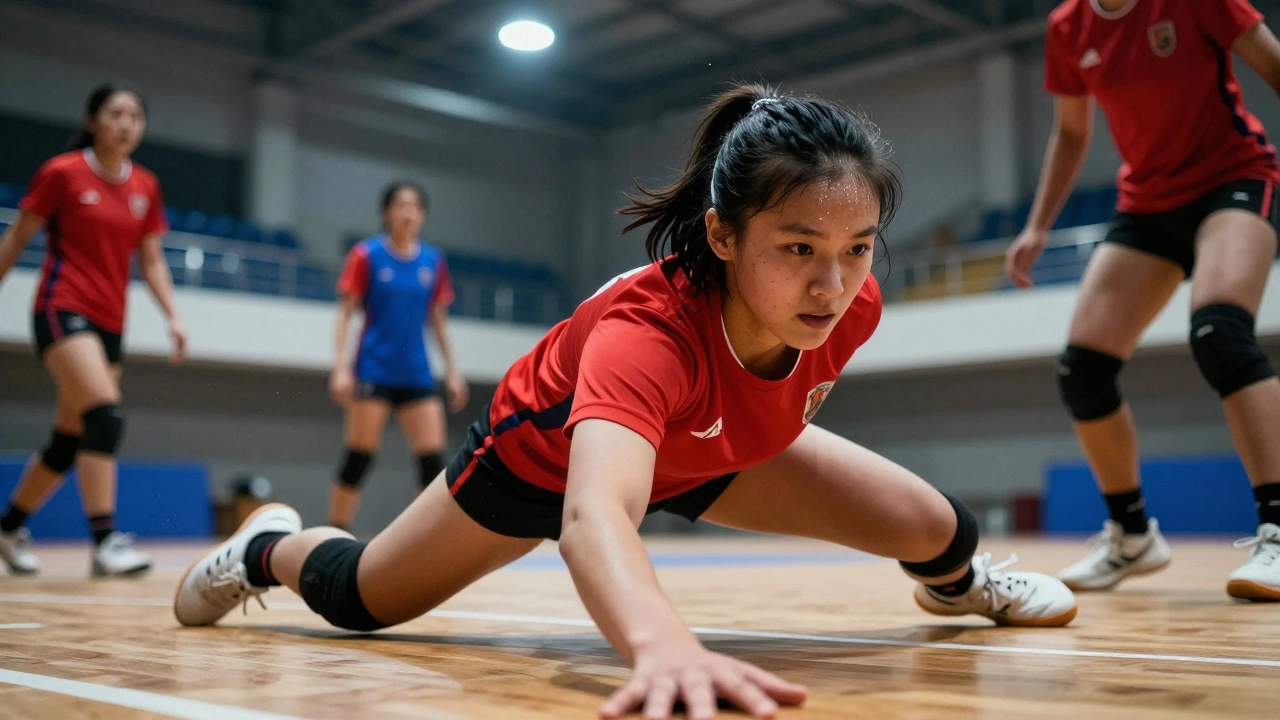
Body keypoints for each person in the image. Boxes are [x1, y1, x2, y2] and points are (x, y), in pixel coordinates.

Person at [176, 84, 1076, 720]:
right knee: (360, 600)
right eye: (799, 248)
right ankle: (264, 548)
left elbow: (771, 402)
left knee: (939, 527)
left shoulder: (855, 304)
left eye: (858, 247)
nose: (833, 283)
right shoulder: (647, 336)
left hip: (704, 453)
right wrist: (660, 645)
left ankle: (957, 591)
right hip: (546, 461)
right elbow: (595, 514)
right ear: (722, 234)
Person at [1006, 0, 1280, 599]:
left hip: (1233, 177)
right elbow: (1072, 132)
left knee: (1220, 333)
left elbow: (1274, 64)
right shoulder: (1067, 27)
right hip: (1148, 205)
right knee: (1083, 370)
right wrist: (1037, 227)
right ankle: (1132, 536)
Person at [0, 83, 186, 577]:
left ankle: (7, 527)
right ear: (92, 120)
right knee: (105, 418)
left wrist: (173, 317)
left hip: (110, 322)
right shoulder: (62, 173)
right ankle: (105, 542)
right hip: (62, 309)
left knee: (69, 440)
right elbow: (17, 238)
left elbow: (151, 260)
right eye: (115, 114)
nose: (126, 124)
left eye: (135, 116)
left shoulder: (146, 185)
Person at [326, 182, 468, 531]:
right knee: (359, 457)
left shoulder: (433, 261)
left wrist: (453, 371)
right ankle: (334, 533)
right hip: (374, 368)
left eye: (416, 206)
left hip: (417, 372)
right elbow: (345, 313)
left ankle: (418, 539)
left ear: (423, 214)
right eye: (401, 205)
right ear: (385, 212)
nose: (408, 213)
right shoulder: (366, 255)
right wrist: (341, 367)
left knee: (432, 461)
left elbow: (438, 320)